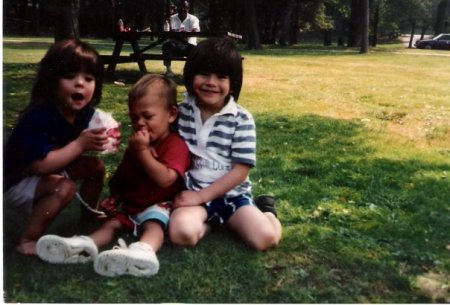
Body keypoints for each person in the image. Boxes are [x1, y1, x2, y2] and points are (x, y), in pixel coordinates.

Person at [36, 74, 191, 277]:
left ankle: (142, 252)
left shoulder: (175, 145)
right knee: (110, 224)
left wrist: (143, 152)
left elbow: (166, 179)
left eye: (148, 116)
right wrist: (115, 197)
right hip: (131, 205)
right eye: (134, 118)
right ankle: (82, 246)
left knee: (153, 226)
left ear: (171, 114)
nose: (140, 123)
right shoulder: (137, 145)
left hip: (159, 204)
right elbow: (123, 176)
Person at [169, 37, 282, 251]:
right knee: (181, 233)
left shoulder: (241, 119)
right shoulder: (180, 112)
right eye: (204, 74)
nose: (211, 82)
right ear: (190, 75)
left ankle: (266, 210)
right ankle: (209, 224)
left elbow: (240, 171)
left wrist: (202, 195)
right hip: (193, 195)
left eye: (221, 77)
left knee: (266, 239)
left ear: (233, 84)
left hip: (233, 196)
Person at [3, 39, 111, 256]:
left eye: (88, 79)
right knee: (65, 187)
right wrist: (80, 145)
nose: (80, 84)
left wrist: (102, 139)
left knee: (95, 167)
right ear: (51, 81)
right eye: (70, 77)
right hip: (13, 181)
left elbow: (84, 142)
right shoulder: (39, 116)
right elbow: (39, 166)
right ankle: (27, 240)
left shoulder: (83, 113)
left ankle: (88, 215)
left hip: (43, 171)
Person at [162, 0, 200, 77]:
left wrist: (186, 32)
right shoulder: (171, 18)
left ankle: (189, 72)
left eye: (184, 7)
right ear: (177, 9)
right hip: (174, 45)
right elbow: (166, 31)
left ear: (188, 8)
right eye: (180, 7)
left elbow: (196, 30)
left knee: (195, 50)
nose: (182, 9)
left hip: (189, 45)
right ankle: (168, 71)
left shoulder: (193, 19)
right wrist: (168, 25)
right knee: (166, 46)